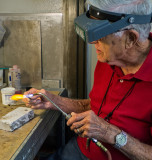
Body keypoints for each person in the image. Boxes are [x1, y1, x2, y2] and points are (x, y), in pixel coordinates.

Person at [24, 0, 152, 159]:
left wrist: (111, 134)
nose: (92, 42)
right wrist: (55, 101)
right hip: (79, 149)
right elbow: (94, 105)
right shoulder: (109, 59)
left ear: (131, 38)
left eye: (100, 36)